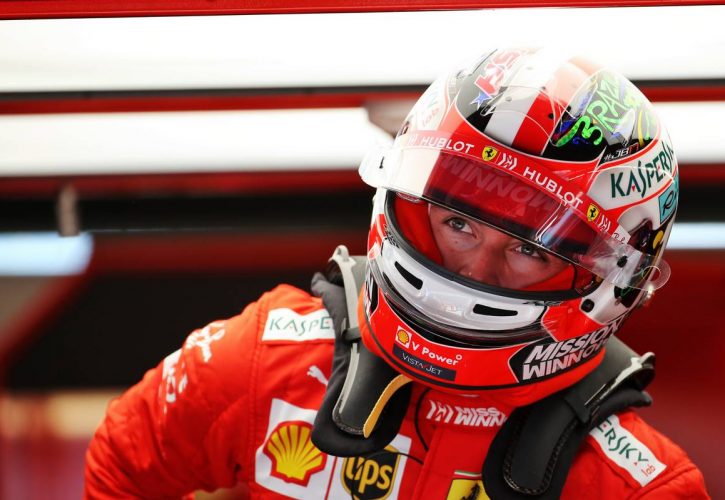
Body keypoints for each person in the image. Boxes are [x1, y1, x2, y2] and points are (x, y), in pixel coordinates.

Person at [84, 48, 709, 499]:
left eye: (529, 249)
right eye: (458, 222)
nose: (472, 268)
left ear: (615, 281)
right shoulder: (262, 360)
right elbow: (123, 461)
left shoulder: (640, 486)